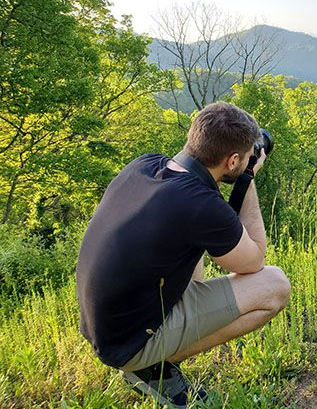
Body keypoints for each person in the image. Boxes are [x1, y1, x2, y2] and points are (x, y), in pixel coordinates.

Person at [76, 101, 291, 407]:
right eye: (244, 158)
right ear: (232, 161)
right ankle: (150, 367)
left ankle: (149, 355)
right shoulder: (200, 204)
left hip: (104, 325)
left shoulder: (144, 164)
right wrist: (248, 179)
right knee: (275, 286)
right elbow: (254, 261)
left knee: (190, 243)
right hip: (129, 343)